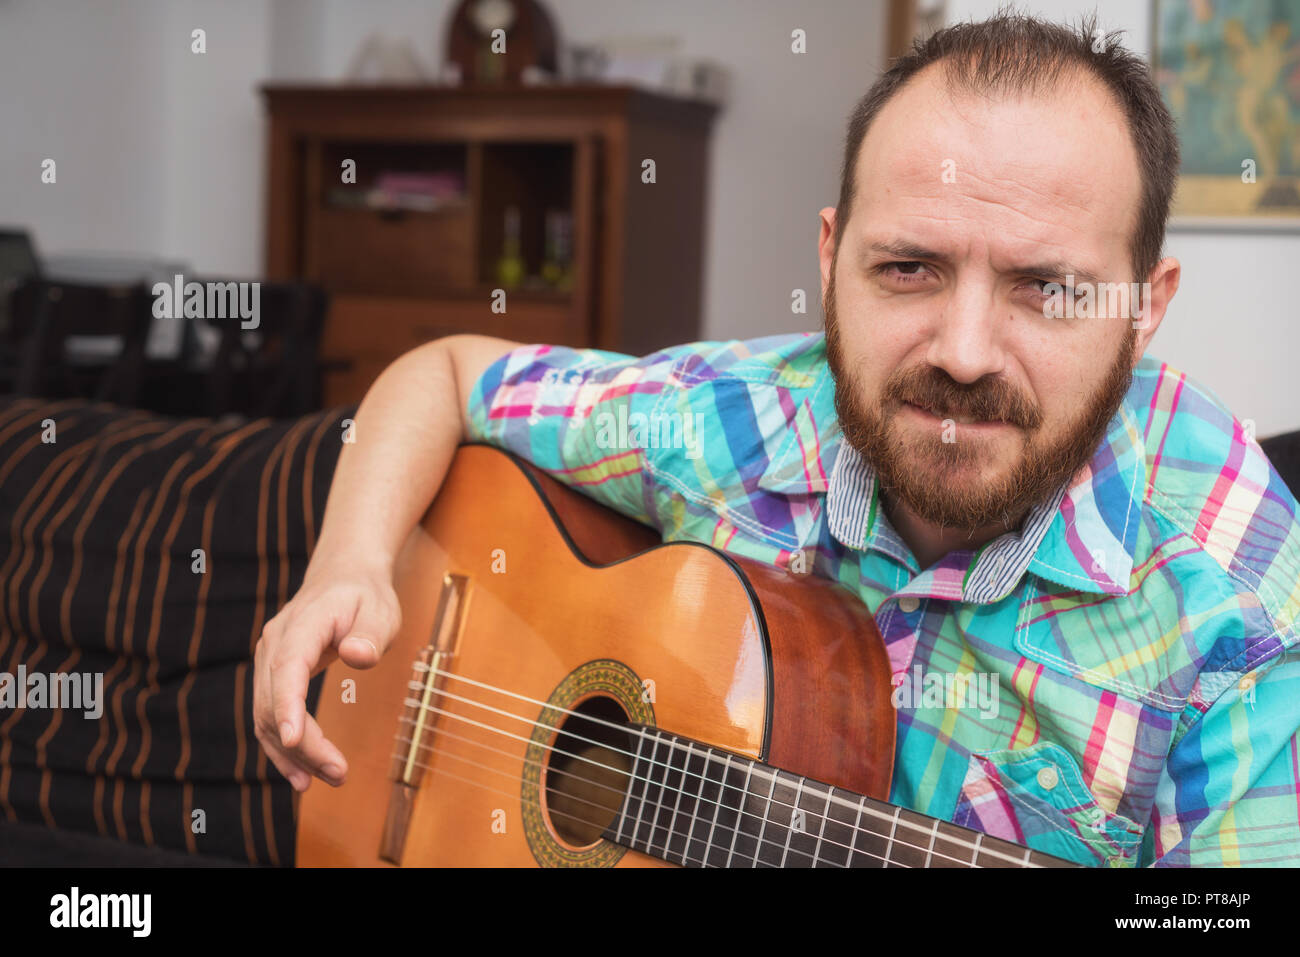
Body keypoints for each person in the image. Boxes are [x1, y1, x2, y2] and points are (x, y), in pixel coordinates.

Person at [252, 13, 1300, 867]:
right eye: (907, 270)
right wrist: (345, 569)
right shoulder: (737, 417)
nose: (965, 351)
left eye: (1047, 288)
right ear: (831, 257)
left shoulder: (1247, 607)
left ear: (1142, 307)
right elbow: (441, 375)